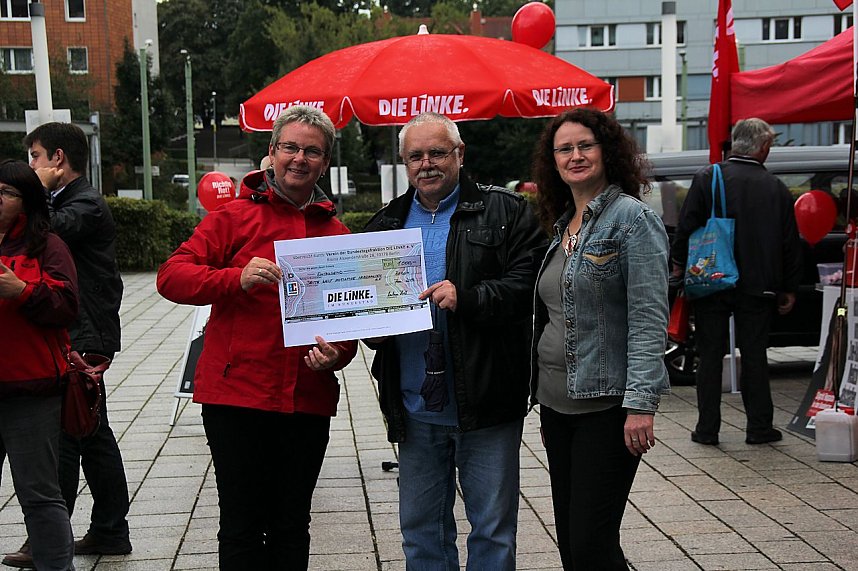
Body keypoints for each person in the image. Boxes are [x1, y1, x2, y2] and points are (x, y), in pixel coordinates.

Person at [157, 105, 358, 570]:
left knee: (291, 524)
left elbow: (349, 321)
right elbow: (171, 276)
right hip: (237, 399)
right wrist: (234, 279)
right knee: (242, 524)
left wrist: (338, 355)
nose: (299, 158)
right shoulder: (230, 219)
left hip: (305, 401)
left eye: (312, 151)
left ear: (324, 162)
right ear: (271, 153)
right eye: (290, 147)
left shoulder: (337, 233)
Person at [364, 112, 546, 570]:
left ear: (460, 155)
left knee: (492, 532)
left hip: (487, 402)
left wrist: (468, 298)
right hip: (413, 406)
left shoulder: (508, 212)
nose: (427, 163)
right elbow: (365, 310)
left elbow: (529, 286)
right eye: (416, 156)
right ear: (405, 163)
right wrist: (369, 329)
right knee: (421, 533)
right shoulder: (384, 225)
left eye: (438, 152)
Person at [530, 108, 670, 570]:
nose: (575, 156)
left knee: (591, 541)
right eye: (564, 148)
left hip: (605, 410)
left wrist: (641, 404)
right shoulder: (562, 224)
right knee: (573, 542)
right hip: (555, 406)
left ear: (606, 151)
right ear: (552, 161)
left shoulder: (632, 219)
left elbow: (649, 317)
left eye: (585, 145)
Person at [3, 122, 131, 568]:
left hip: (84, 332)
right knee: (91, 432)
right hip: (78, 332)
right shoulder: (71, 200)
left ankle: (52, 540)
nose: (32, 165)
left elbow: (44, 230)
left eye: (35, 156)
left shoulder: (84, 204)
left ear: (58, 158)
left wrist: (30, 191)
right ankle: (110, 529)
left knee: (72, 434)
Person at [671, 118, 802, 446]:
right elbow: (790, 243)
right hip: (759, 286)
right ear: (763, 147)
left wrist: (678, 265)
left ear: (735, 143)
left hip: (712, 280)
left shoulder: (708, 177)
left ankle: (707, 429)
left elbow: (686, 226)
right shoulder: (776, 188)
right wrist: (789, 287)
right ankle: (759, 427)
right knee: (755, 355)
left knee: (710, 354)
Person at [0, 160, 78, 571]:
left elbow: (67, 307)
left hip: (30, 392)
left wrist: (22, 291)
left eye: (6, 193)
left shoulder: (48, 247)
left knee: (38, 494)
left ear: (27, 202)